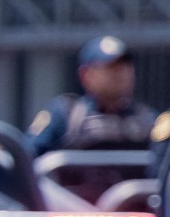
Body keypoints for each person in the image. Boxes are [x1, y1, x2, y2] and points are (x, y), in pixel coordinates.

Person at [27, 34, 157, 154]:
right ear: (86, 75)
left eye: (125, 66)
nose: (120, 73)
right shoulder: (66, 115)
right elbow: (28, 154)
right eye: (111, 67)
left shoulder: (148, 120)